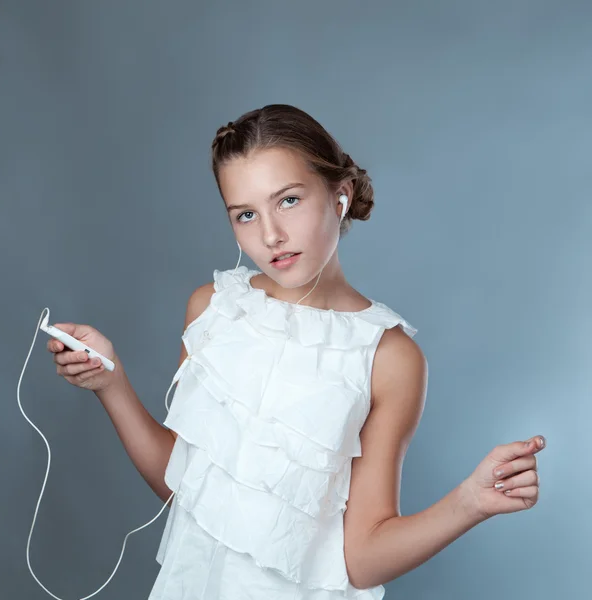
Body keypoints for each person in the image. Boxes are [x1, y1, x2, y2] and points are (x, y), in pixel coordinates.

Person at [47, 104, 545, 599]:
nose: (269, 236)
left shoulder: (387, 356)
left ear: (340, 195)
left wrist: (470, 502)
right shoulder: (214, 309)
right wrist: (110, 384)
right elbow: (187, 490)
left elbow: (363, 560)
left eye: (287, 201)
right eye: (245, 215)